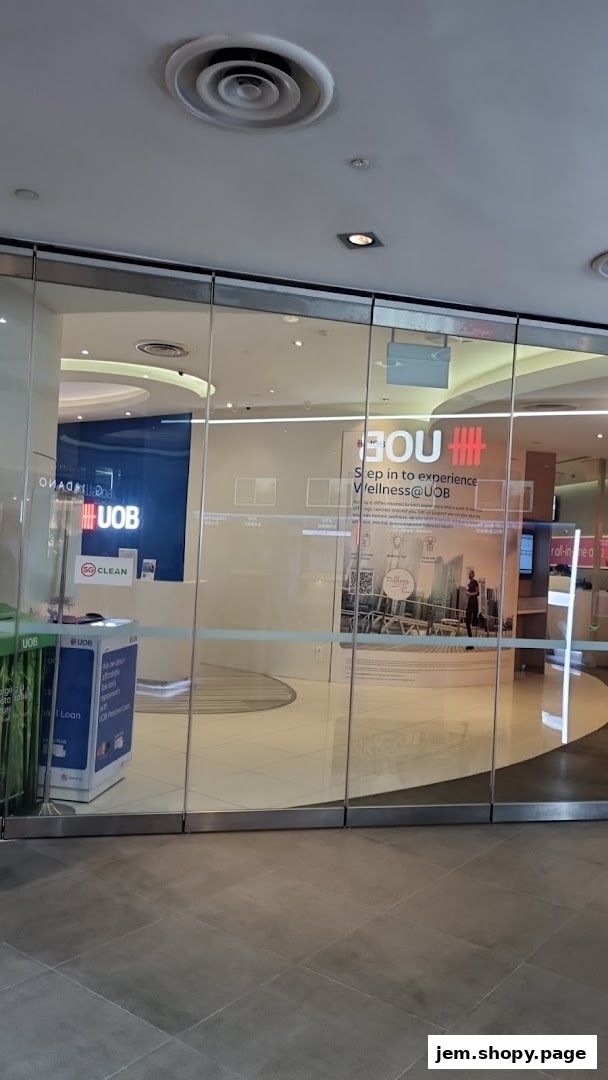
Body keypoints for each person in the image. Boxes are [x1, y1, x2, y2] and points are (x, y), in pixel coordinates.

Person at [465, 569, 479, 650]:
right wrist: (466, 603)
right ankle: (471, 642)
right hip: (469, 604)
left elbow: (477, 592)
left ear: (473, 575)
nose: (469, 574)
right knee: (467, 621)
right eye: (469, 573)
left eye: (471, 573)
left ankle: (472, 643)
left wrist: (470, 594)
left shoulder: (475, 581)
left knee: (474, 622)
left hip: (474, 603)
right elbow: (467, 593)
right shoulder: (469, 584)